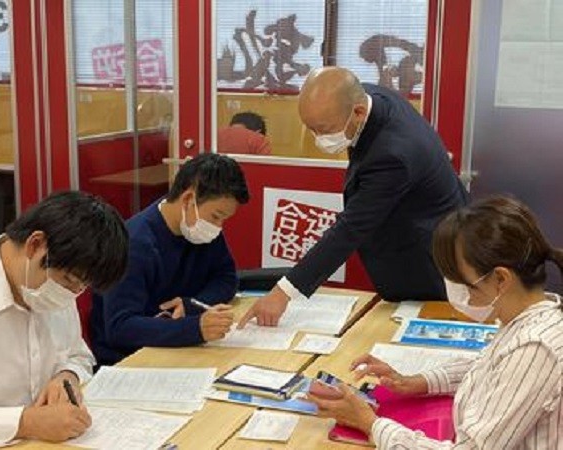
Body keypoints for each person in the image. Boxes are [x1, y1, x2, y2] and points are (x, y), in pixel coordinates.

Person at [308, 196, 563, 449]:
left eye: (461, 281)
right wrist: (416, 382)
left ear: (500, 279)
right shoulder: (528, 316)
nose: (458, 291)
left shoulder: (535, 347)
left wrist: (371, 424)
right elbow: (489, 368)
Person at [239, 66, 468, 328]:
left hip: (426, 258)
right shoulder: (368, 99)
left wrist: (283, 293)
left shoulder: (393, 155)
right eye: (310, 128)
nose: (317, 138)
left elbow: (350, 228)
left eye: (323, 129)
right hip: (419, 227)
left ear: (358, 112)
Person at [0, 191, 129, 447]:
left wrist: (66, 376)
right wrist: (26, 422)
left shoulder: (54, 289)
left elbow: (78, 354)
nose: (73, 294)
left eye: (82, 287)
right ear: (35, 245)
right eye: (70, 281)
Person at [90, 153, 250, 366]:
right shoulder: (134, 244)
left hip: (178, 348)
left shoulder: (198, 228)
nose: (218, 227)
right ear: (188, 200)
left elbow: (226, 278)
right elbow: (120, 328)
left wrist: (192, 305)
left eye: (223, 219)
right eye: (215, 216)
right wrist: (195, 328)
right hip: (131, 361)